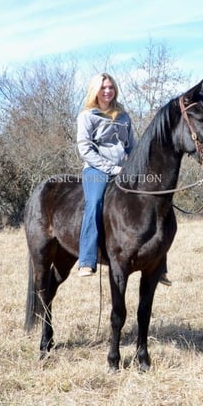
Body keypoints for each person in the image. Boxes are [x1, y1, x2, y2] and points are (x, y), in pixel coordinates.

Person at [76, 72, 171, 285]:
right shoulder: (87, 116)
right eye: (103, 88)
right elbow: (85, 149)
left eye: (111, 87)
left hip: (124, 169)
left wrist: (135, 167)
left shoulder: (123, 116)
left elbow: (131, 147)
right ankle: (87, 259)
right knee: (95, 202)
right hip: (96, 170)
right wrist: (110, 168)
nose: (108, 91)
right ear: (95, 91)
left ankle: (160, 266)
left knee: (152, 202)